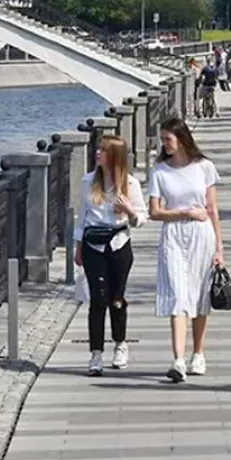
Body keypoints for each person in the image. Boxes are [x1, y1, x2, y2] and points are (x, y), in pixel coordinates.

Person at [148, 117, 223, 383]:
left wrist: (219, 248)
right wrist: (183, 213)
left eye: (168, 139)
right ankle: (178, 359)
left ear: (181, 139)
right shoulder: (160, 171)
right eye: (162, 140)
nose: (165, 145)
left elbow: (212, 209)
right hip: (174, 234)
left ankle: (198, 353)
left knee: (200, 294)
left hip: (202, 234)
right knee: (178, 294)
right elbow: (154, 212)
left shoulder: (204, 167)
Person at [75, 136, 145, 375]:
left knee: (117, 297)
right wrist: (78, 246)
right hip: (93, 245)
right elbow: (82, 216)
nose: (97, 153)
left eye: (103, 151)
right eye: (97, 149)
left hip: (118, 243)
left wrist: (129, 211)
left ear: (114, 156)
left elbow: (140, 219)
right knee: (98, 299)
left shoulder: (130, 184)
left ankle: (120, 343)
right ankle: (95, 353)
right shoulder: (87, 182)